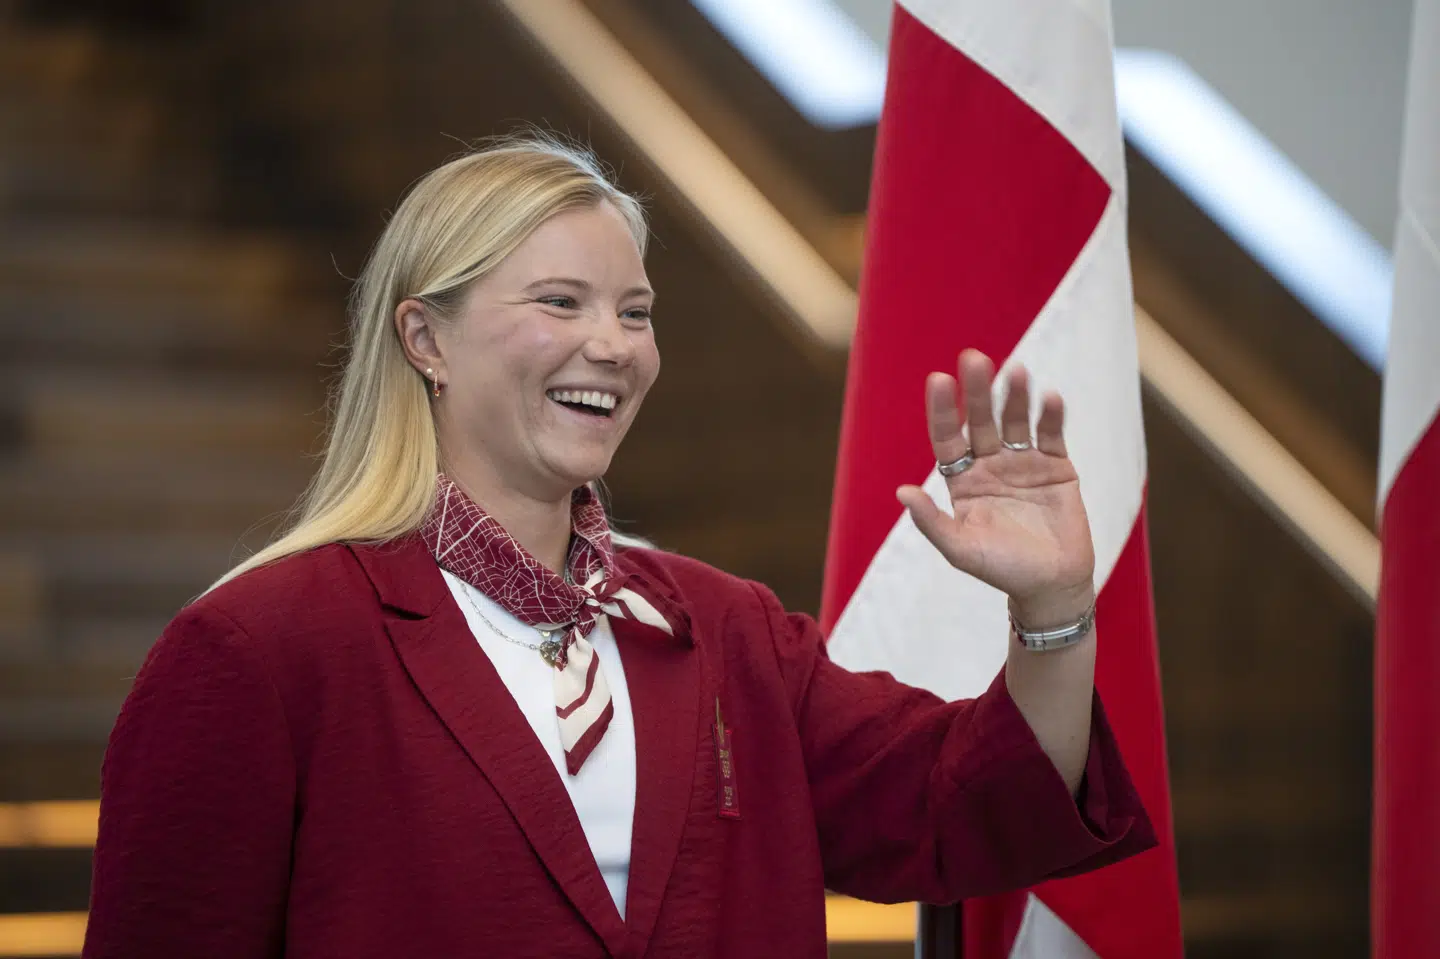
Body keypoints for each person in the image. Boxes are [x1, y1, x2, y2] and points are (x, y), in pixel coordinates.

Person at [83, 136, 1155, 959]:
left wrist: (1052, 609)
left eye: (635, 312)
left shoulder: (726, 629)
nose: (613, 343)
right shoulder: (261, 647)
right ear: (425, 339)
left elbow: (967, 806)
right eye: (562, 302)